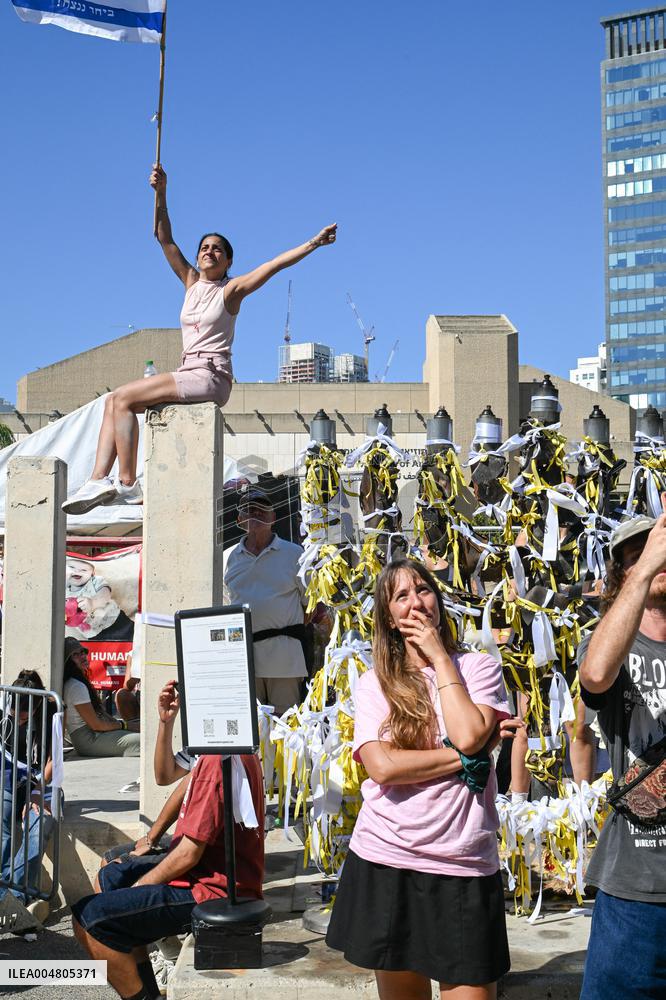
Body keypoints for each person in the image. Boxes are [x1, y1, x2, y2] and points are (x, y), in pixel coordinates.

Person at [62, 164, 337, 516]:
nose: (209, 251)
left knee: (123, 398)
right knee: (114, 403)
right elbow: (163, 237)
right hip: (188, 371)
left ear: (228, 261)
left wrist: (313, 243)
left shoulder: (230, 291)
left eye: (218, 249)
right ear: (197, 257)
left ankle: (126, 484)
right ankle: (100, 479)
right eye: (205, 247)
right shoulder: (191, 282)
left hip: (211, 375)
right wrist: (161, 192)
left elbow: (273, 266)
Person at [326, 558, 521, 1000]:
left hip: (462, 864)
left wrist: (438, 657)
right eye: (401, 596)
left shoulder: (477, 669)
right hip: (386, 859)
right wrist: (464, 759)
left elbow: (470, 733)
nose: (416, 602)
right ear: (390, 620)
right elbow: (382, 767)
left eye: (423, 589)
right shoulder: (375, 683)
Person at [71, 687, 265, 1000]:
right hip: (210, 874)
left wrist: (141, 887)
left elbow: (188, 853)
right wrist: (165, 722)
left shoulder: (217, 759)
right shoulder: (226, 748)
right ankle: (147, 984)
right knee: (111, 876)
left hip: (211, 888)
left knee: (87, 919)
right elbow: (169, 779)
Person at [577, 512, 666, 1000]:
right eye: (638, 557)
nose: (656, 562)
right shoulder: (607, 643)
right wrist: (650, 562)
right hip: (635, 890)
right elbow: (595, 676)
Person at [224, 488, 308, 716]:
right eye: (249, 511)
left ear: (273, 517)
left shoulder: (294, 554)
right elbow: (225, 610)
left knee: (286, 726)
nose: (256, 515)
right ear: (240, 519)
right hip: (244, 659)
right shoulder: (228, 558)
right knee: (250, 728)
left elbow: (310, 605)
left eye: (262, 511)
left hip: (285, 658)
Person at [0, 670, 56, 921]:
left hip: (43, 785)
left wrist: (36, 792)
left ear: (35, 708)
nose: (19, 721)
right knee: (4, 821)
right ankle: (6, 893)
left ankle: (13, 896)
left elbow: (54, 762)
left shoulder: (52, 713)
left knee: (38, 825)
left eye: (23, 717)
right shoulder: (5, 711)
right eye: (15, 715)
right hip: (11, 782)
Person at [63, 638, 140, 757]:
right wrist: (125, 725)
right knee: (144, 741)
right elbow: (96, 725)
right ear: (68, 661)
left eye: (82, 652)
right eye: (75, 655)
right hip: (89, 740)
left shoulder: (78, 682)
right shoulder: (76, 686)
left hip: (95, 735)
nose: (82, 656)